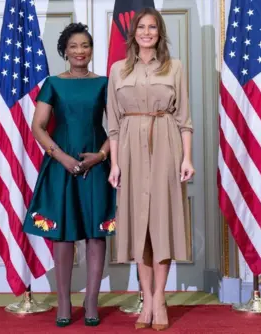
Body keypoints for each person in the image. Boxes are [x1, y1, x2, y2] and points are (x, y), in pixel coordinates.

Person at [107, 7, 195, 331]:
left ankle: (159, 298)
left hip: (166, 147)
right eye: (141, 27)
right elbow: (113, 124)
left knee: (162, 225)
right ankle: (145, 297)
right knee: (138, 228)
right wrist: (114, 164)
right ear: (133, 33)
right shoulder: (118, 70)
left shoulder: (176, 68)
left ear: (160, 33)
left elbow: (185, 119)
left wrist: (187, 159)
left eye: (153, 27)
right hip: (129, 151)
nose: (147, 32)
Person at [23, 23, 116, 327]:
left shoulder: (104, 83)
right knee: (62, 235)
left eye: (85, 45)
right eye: (74, 46)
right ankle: (64, 301)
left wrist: (101, 156)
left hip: (96, 165)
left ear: (91, 50)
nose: (80, 51)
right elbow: (38, 125)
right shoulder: (53, 83)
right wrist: (62, 157)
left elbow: (116, 127)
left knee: (95, 232)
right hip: (61, 167)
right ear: (64, 50)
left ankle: (91, 301)